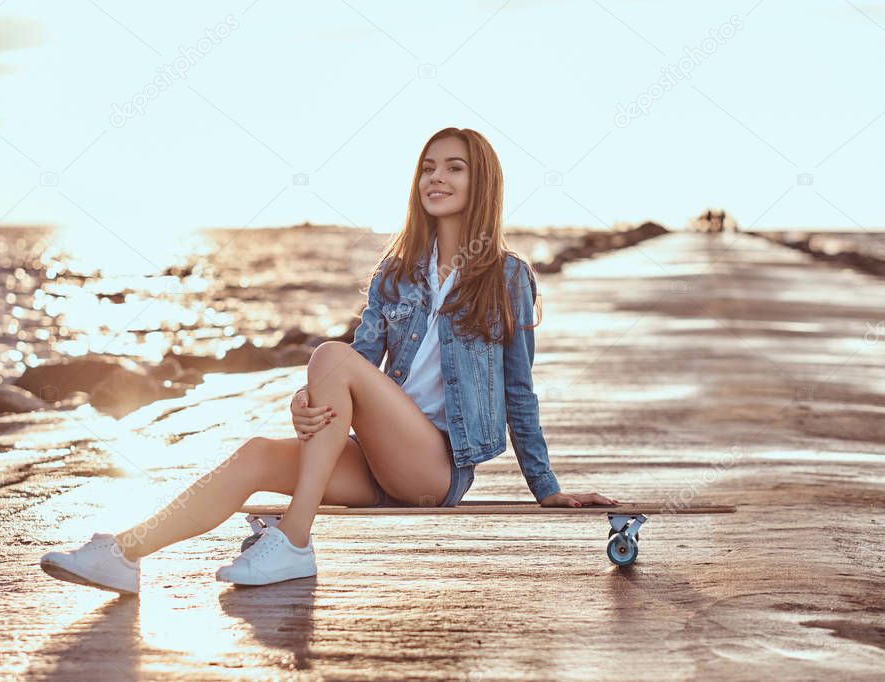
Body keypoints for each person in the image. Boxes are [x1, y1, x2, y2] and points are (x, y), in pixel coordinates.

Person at [39, 127, 619, 595]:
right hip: (374, 461)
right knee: (256, 455)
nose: (435, 177)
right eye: (428, 166)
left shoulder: (507, 276)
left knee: (330, 355)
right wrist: (306, 401)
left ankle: (293, 540)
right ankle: (123, 554)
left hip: (435, 467)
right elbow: (359, 363)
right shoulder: (396, 273)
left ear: (482, 183)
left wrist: (545, 486)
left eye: (454, 167)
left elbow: (519, 389)